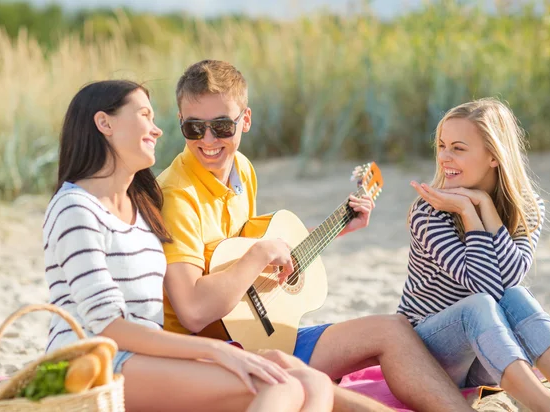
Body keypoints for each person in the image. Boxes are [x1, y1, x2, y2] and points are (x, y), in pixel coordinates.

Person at [158, 59, 474, 412]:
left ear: (245, 120)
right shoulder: (177, 196)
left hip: (254, 334)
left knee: (393, 329)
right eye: (194, 128)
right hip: (210, 355)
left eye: (221, 126)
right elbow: (193, 311)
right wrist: (261, 254)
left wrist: (335, 229)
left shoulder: (241, 169)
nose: (209, 140)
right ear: (180, 123)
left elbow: (242, 254)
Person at [43, 79, 335, 412]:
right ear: (104, 123)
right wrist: (214, 351)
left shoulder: (140, 206)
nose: (158, 130)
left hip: (146, 357)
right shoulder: (76, 208)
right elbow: (108, 326)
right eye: (144, 115)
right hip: (93, 363)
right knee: (281, 386)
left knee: (313, 381)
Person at [399, 98, 550, 412]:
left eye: (458, 148)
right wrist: (467, 211)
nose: (444, 158)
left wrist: (486, 209)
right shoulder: (429, 213)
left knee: (517, 295)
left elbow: (509, 283)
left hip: (489, 359)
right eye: (441, 146)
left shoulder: (527, 207)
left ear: (494, 156)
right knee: (479, 304)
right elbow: (486, 290)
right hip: (430, 354)